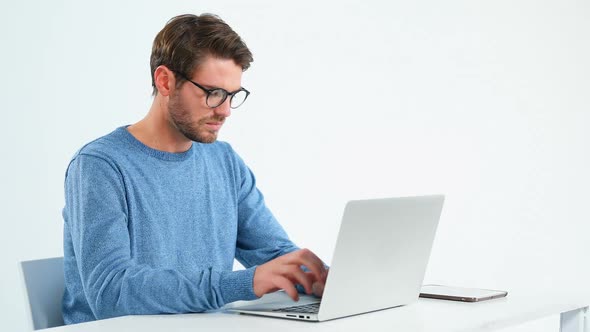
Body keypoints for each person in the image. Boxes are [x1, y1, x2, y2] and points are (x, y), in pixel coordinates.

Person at [62, 13, 327, 325]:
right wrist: (238, 283)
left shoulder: (224, 161)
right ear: (165, 81)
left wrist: (332, 281)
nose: (226, 110)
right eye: (213, 93)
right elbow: (112, 293)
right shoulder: (100, 165)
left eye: (233, 95)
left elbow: (276, 259)